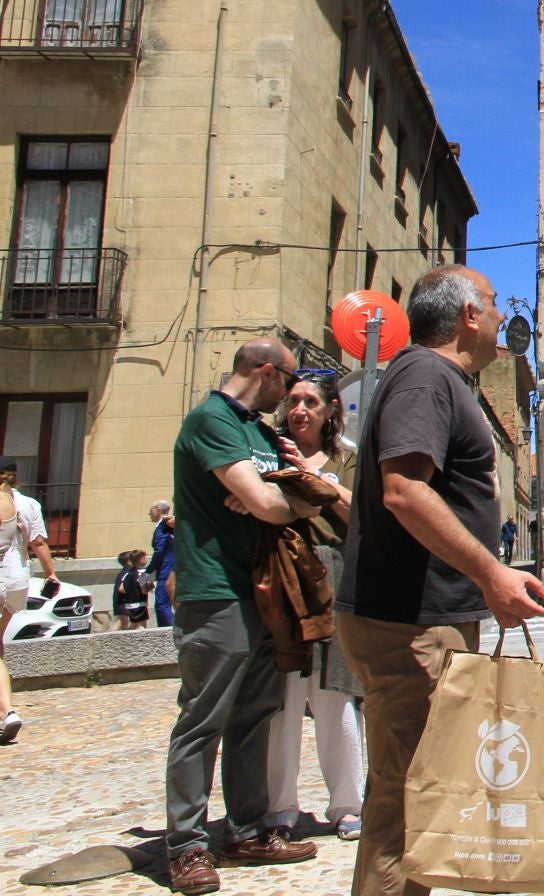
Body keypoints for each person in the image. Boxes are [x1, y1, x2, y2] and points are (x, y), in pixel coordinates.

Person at [334, 267, 544, 896]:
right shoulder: (427, 377)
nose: (500, 315)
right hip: (409, 623)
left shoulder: (437, 380)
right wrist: (491, 572)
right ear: (466, 316)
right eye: (489, 301)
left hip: (422, 619)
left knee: (414, 796)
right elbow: (404, 491)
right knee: (410, 803)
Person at [164, 339, 323, 894]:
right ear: (265, 372)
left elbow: (302, 489)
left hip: (264, 592)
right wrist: (276, 499)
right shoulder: (211, 420)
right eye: (288, 377)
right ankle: (185, 846)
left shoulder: (258, 431)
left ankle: (247, 830)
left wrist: (283, 494)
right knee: (202, 720)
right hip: (215, 591)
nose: (291, 389)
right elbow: (271, 505)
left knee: (255, 714)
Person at [265, 374, 364, 841]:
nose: (300, 408)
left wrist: (317, 483)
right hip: (281, 576)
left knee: (335, 692)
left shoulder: (346, 460)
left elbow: (362, 516)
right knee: (283, 698)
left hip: (332, 574)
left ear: (329, 410)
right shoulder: (266, 452)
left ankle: (347, 803)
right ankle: (280, 807)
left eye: (310, 401)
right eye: (293, 401)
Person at [0, 458, 57, 744]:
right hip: (17, 579)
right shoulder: (27, 504)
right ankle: (8, 711)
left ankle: (8, 711)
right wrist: (51, 573)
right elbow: (38, 542)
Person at [148, 499, 176, 628]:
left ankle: (170, 633)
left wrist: (146, 574)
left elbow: (159, 552)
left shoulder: (163, 525)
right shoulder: (168, 527)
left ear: (158, 510)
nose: (149, 513)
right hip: (172, 568)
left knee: (161, 604)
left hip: (166, 569)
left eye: (151, 510)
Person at [115, 549, 150, 630]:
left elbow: (121, 589)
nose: (146, 560)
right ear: (140, 559)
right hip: (140, 604)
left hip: (129, 605)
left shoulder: (128, 573)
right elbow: (143, 590)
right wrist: (149, 587)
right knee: (142, 626)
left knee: (133, 626)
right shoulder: (143, 574)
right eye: (145, 558)